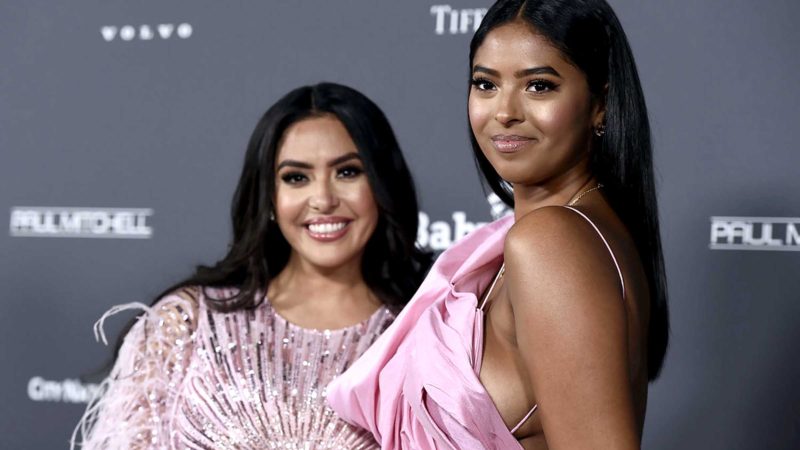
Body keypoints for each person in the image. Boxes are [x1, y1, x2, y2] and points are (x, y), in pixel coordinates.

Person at [327, 1, 669, 449]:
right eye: (485, 84)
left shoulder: (551, 242)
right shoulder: (580, 231)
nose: (504, 111)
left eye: (539, 86)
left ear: (600, 104)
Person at [71, 82, 430, 449]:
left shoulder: (426, 331)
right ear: (270, 197)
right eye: (296, 177)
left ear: (382, 184)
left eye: (348, 172)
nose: (322, 199)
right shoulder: (188, 323)